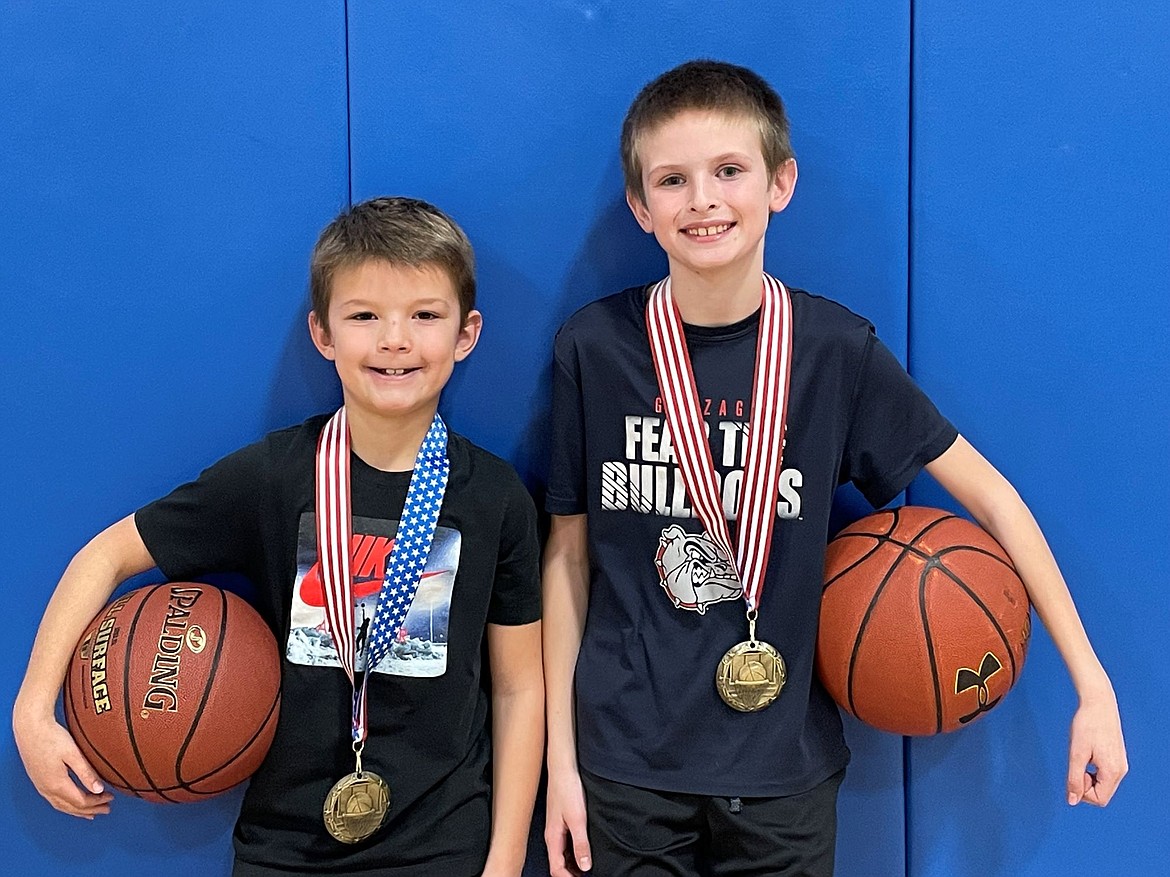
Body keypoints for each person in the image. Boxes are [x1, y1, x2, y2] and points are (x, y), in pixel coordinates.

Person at [541, 60, 1127, 877]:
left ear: (781, 183)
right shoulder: (594, 346)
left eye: (729, 171)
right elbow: (567, 557)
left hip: (784, 765)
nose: (703, 199)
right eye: (672, 180)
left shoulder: (832, 351)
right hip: (627, 761)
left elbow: (993, 499)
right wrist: (560, 766)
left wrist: (1091, 684)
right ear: (641, 207)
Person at [13, 197, 544, 877]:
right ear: (322, 333)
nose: (395, 339)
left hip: (443, 842)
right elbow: (107, 553)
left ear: (466, 333)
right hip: (286, 846)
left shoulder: (495, 496)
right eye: (364, 315)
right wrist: (33, 711)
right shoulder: (275, 474)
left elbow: (520, 686)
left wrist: (503, 859)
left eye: (425, 314)